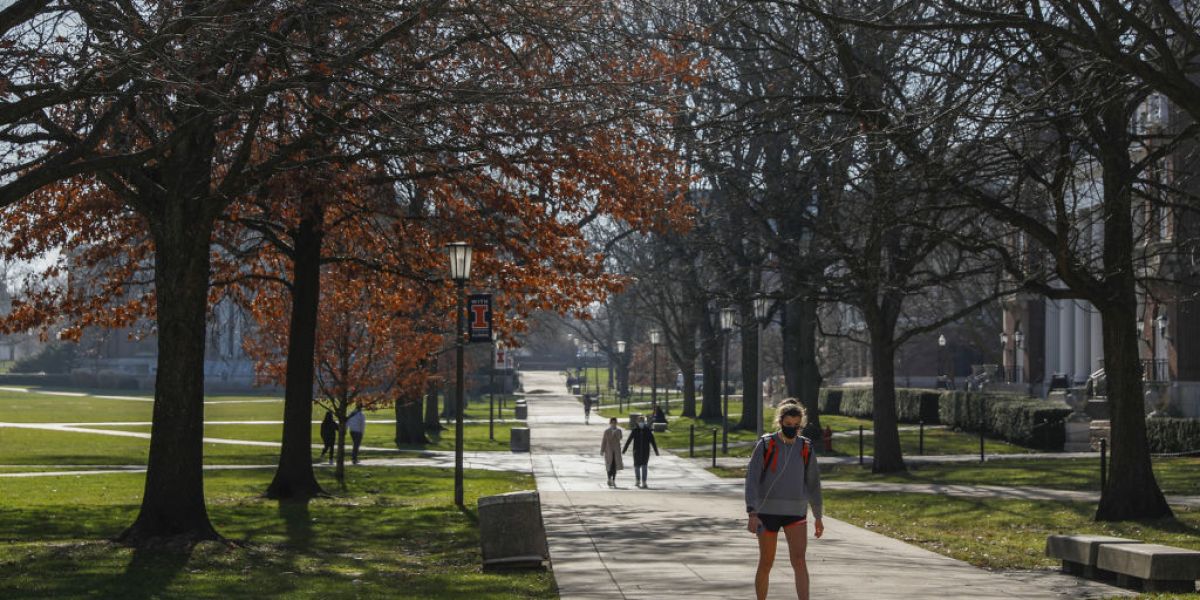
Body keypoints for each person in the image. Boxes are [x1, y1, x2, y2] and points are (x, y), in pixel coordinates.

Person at [744, 399, 824, 600]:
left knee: (799, 561)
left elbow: (814, 484)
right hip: (766, 512)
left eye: (796, 426)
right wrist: (752, 512)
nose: (792, 429)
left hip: (795, 513)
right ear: (780, 422)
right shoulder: (766, 445)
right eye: (788, 425)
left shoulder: (806, 447)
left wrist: (818, 516)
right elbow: (752, 479)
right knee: (766, 563)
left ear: (801, 425)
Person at [622, 415, 659, 488]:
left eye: (642, 421)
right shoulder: (635, 430)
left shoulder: (647, 430)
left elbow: (652, 441)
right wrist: (624, 450)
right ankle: (638, 480)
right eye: (640, 421)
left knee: (644, 466)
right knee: (637, 467)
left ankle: (644, 481)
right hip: (637, 451)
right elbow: (629, 440)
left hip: (645, 451)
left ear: (644, 422)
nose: (641, 423)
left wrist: (656, 451)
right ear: (637, 422)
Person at [600, 416, 624, 487]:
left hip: (616, 451)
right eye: (612, 423)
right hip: (608, 451)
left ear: (616, 423)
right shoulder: (607, 431)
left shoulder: (619, 431)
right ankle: (609, 478)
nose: (613, 424)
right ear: (610, 423)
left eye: (615, 423)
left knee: (615, 466)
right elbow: (604, 441)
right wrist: (602, 450)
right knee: (609, 466)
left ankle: (613, 479)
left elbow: (620, 438)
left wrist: (616, 432)